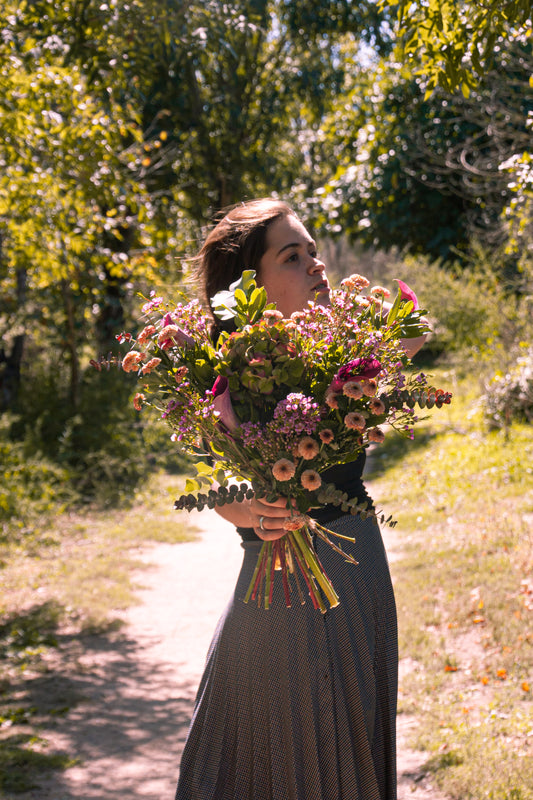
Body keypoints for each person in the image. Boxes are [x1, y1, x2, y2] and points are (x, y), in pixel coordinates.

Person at [175, 198, 427, 800]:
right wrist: (247, 508)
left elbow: (414, 342)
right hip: (272, 588)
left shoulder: (351, 355)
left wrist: (391, 345)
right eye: (293, 256)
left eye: (314, 252)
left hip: (355, 572)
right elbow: (220, 485)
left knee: (348, 757)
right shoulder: (225, 373)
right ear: (249, 287)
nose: (316, 265)